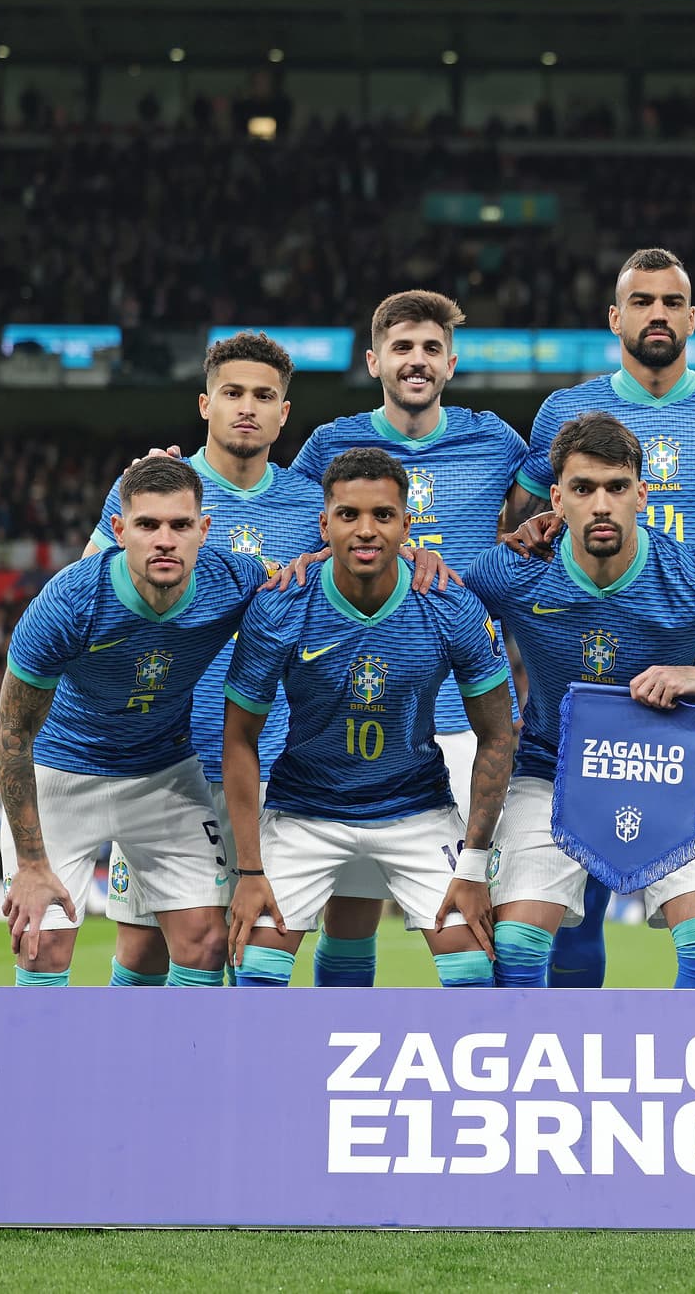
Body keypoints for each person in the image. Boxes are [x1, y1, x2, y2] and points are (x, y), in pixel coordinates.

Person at [507, 248, 695, 989]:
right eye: (641, 301)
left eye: (671, 302)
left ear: (692, 318)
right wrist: (533, 529)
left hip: (692, 676)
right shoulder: (564, 410)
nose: (656, 314)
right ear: (615, 318)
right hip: (584, 679)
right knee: (577, 906)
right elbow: (524, 520)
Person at [465, 412, 695, 990]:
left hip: (675, 773)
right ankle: (549, 1075)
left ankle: (686, 1077)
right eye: (582, 489)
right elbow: (427, 615)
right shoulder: (517, 568)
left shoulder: (691, 579)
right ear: (556, 499)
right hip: (552, 773)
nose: (601, 504)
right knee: (517, 948)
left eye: (616, 488)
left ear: (642, 494)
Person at [280, 290, 530, 989]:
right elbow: (294, 526)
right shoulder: (330, 444)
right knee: (350, 913)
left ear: (451, 362)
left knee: (483, 921)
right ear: (374, 361)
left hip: (473, 719)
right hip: (371, 712)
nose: (415, 361)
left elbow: (541, 518)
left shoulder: (498, 441)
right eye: (401, 348)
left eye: (429, 349)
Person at [222, 448, 516, 988]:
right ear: (324, 524)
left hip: (416, 809)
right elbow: (240, 739)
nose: (365, 530)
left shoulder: (449, 605)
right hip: (304, 811)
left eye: (383, 515)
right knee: (255, 964)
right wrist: (249, 870)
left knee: (473, 964)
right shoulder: (282, 605)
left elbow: (497, 735)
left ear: (408, 524)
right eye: (348, 515)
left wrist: (473, 867)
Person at [84, 331, 325, 986]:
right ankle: (126, 1084)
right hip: (164, 759)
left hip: (270, 759)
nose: (247, 406)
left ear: (284, 413)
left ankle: (222, 1085)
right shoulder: (154, 488)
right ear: (204, 404)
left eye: (264, 395)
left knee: (247, 946)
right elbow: (84, 591)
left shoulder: (311, 505)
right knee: (143, 948)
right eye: (232, 392)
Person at [0, 456, 270, 988]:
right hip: (63, 774)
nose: (164, 540)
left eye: (180, 525)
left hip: (163, 773)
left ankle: (164, 1071)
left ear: (204, 530)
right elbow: (11, 734)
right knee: (42, 946)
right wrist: (30, 863)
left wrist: (409, 560)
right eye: (147, 525)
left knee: (207, 943)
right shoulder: (69, 603)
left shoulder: (235, 582)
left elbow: (312, 586)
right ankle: (42, 1070)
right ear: (119, 531)